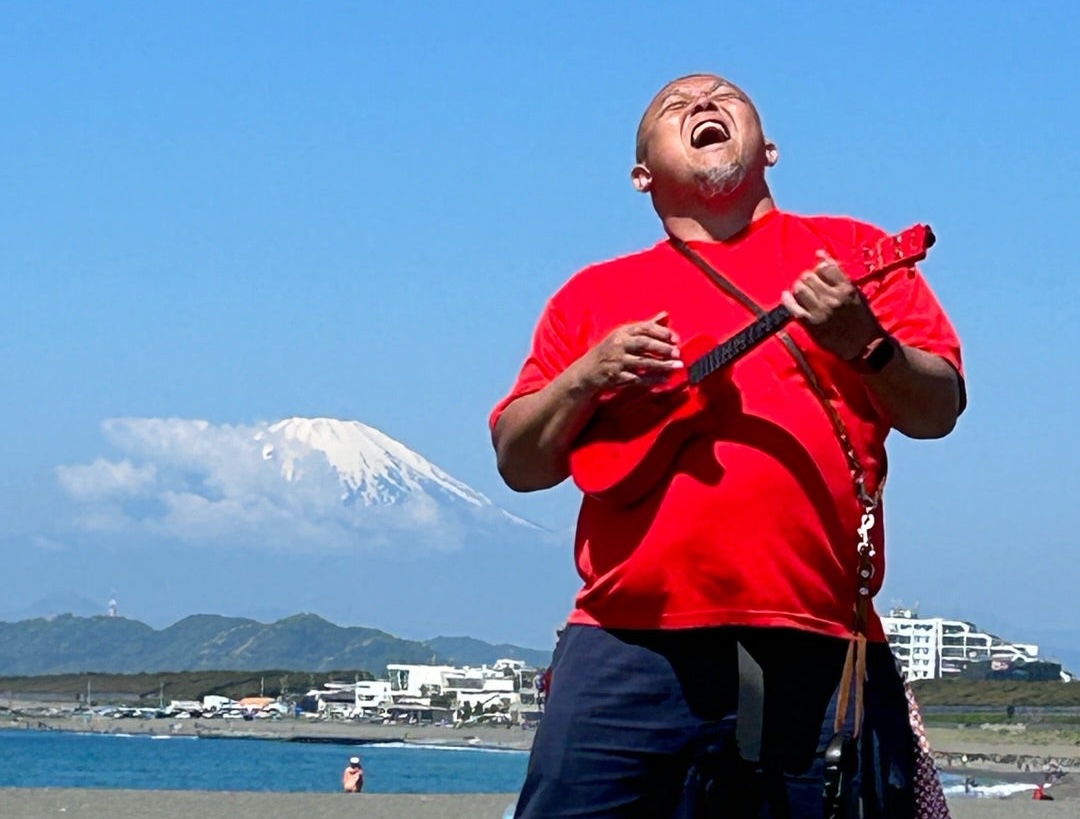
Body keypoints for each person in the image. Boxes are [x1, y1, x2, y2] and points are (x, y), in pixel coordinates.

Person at [489, 73, 965, 818]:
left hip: (818, 632)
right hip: (626, 642)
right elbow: (519, 461)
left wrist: (865, 344)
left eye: (725, 97)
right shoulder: (590, 295)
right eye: (676, 106)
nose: (704, 105)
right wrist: (586, 376)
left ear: (769, 148)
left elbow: (939, 407)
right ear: (641, 174)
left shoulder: (852, 253)